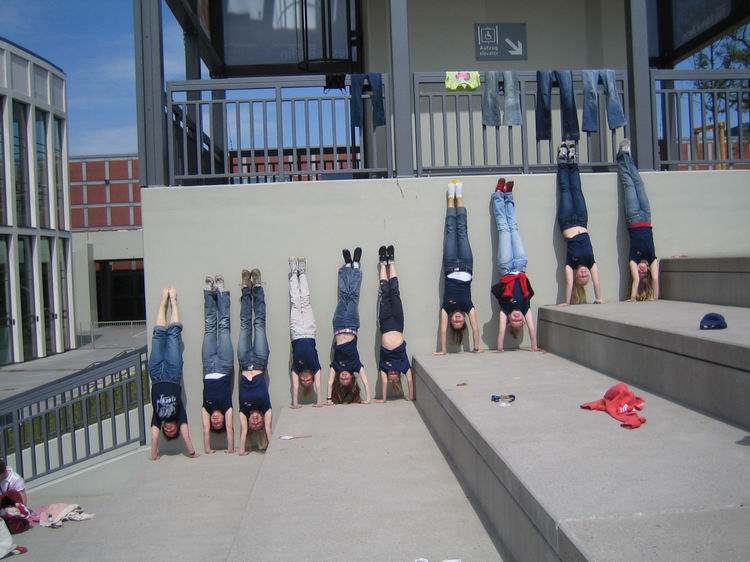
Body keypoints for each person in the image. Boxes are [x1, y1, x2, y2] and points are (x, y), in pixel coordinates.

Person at [148, 287, 199, 460]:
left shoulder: (157, 417)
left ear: (163, 428)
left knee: (158, 336)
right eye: (172, 431)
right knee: (173, 335)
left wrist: (154, 454)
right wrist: (192, 453)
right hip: (172, 374)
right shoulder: (179, 414)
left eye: (167, 431)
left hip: (156, 375)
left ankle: (163, 303)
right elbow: (186, 435)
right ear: (177, 427)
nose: (169, 429)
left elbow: (154, 437)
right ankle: (173, 302)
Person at [490, 179, 539, 352]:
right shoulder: (525, 307)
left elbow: (501, 330)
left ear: (509, 320)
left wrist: (500, 347)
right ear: (524, 320)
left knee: (504, 228)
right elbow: (532, 328)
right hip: (520, 265)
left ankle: (498, 195)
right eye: (520, 320)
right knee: (514, 227)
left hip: (506, 268)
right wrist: (534, 346)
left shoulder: (506, 308)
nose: (517, 317)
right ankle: (508, 195)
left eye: (514, 320)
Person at [436, 179, 482, 354]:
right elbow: (475, 327)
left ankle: (451, 197)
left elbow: (442, 329)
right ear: (464, 320)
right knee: (462, 230)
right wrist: (476, 347)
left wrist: (443, 350)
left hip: (449, 264)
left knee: (451, 231)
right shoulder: (468, 306)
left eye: (454, 322)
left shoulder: (446, 308)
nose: (456, 320)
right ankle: (459, 195)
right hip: (466, 263)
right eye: (460, 322)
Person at [556, 142, 602, 305]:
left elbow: (569, 284)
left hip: (567, 221)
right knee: (577, 190)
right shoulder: (591, 262)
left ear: (576, 275)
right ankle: (573, 160)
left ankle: (562, 160)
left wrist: (567, 302)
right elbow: (597, 282)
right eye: (586, 276)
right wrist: (598, 298)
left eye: (581, 277)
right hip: (582, 220)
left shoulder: (571, 264)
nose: (584, 274)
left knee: (565, 190)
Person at [327, 248, 372, 405]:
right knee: (352, 296)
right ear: (352, 377)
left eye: (342, 379)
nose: (344, 377)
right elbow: (365, 381)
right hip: (352, 324)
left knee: (343, 297)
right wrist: (368, 398)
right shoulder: (355, 365)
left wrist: (329, 399)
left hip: (339, 323)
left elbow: (329, 382)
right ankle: (356, 266)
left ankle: (347, 266)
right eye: (347, 379)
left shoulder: (336, 366)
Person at [617, 139, 659, 301]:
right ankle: (626, 155)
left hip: (634, 218)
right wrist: (654, 296)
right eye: (644, 272)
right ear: (648, 269)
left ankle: (623, 157)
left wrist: (633, 297)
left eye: (640, 273)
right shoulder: (651, 257)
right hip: (646, 217)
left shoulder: (633, 259)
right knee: (639, 183)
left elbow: (635, 279)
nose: (641, 271)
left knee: (628, 184)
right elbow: (655, 279)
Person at [237, 269, 273, 455]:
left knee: (245, 324)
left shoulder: (244, 411)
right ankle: (257, 287)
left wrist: (244, 443)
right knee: (259, 323)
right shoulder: (266, 408)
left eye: (254, 425)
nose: (256, 422)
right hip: (259, 360)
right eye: (259, 424)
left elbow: (243, 435)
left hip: (244, 361)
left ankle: (245, 288)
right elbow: (269, 430)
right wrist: (266, 434)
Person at [375, 245, 414, 403]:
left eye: (390, 375)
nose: (391, 374)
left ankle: (383, 263)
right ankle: (391, 261)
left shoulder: (384, 366)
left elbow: (384, 382)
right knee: (395, 292)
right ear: (398, 375)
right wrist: (411, 396)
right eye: (394, 375)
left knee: (385, 293)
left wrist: (383, 399)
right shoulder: (403, 365)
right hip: (398, 324)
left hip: (385, 325)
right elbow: (409, 379)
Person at [201, 275, 235, 454]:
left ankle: (209, 292)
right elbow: (230, 428)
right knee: (223, 327)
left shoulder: (207, 408)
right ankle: (221, 292)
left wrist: (207, 450)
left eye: (213, 423)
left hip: (208, 365)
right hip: (224, 365)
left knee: (209, 328)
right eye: (218, 423)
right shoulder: (226, 407)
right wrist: (230, 449)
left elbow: (205, 429)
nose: (215, 421)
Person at [288, 257, 324, 408]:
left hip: (296, 333)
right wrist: (319, 401)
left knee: (295, 302)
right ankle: (302, 273)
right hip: (309, 331)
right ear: (312, 378)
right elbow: (319, 386)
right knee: (305, 301)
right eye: (308, 380)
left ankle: (293, 272)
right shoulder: (315, 366)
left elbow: (295, 387)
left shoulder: (296, 368)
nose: (304, 379)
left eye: (304, 381)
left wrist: (295, 403)